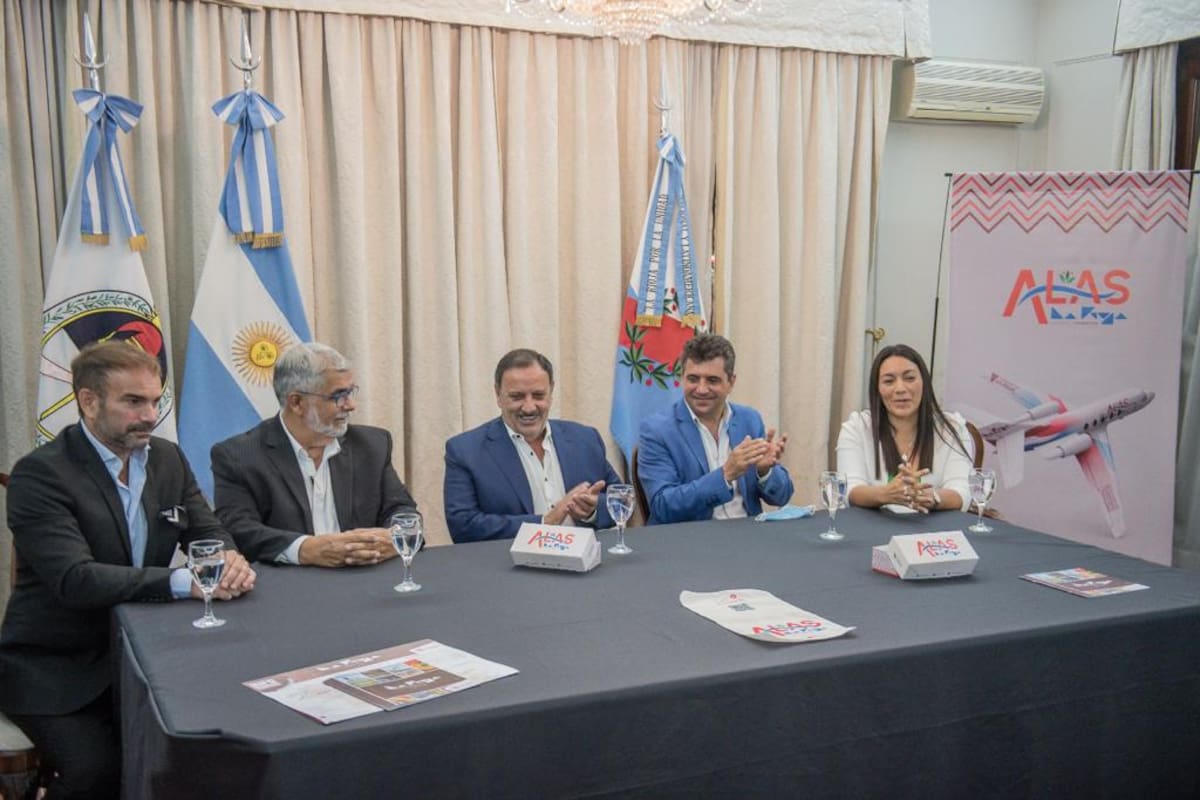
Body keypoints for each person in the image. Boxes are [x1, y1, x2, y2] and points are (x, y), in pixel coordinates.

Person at [0, 341, 256, 799]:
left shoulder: (167, 458)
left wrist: (227, 558)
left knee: (209, 750)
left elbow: (207, 530)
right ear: (88, 401)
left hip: (151, 658)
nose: (149, 414)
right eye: (133, 402)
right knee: (98, 773)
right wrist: (187, 580)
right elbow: (75, 579)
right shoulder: (40, 475)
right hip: (60, 670)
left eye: (156, 401)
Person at [212, 342, 417, 566]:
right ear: (297, 403)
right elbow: (239, 530)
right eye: (338, 395)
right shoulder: (239, 456)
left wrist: (394, 536)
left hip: (366, 578)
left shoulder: (372, 445)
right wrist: (304, 549)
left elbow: (402, 509)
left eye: (351, 392)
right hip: (290, 587)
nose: (351, 405)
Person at [444, 348, 622, 543]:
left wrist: (593, 509)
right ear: (498, 394)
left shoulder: (585, 439)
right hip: (508, 568)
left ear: (551, 391)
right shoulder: (465, 451)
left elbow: (622, 498)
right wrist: (544, 523)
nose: (529, 407)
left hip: (586, 566)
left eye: (538, 395)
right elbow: (463, 526)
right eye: (517, 397)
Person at [636, 334, 793, 524]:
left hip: (749, 537)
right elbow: (663, 506)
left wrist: (765, 472)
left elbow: (782, 497)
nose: (701, 389)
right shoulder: (656, 430)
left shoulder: (749, 420)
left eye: (712, 380)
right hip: (690, 542)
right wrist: (725, 474)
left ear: (731, 382)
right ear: (681, 377)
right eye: (693, 379)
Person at [836, 343, 973, 513]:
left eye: (909, 378)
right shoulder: (856, 428)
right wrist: (885, 494)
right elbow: (849, 490)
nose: (900, 389)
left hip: (934, 534)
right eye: (889, 381)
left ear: (924, 383)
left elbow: (963, 491)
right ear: (877, 389)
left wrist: (932, 497)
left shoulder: (953, 428)